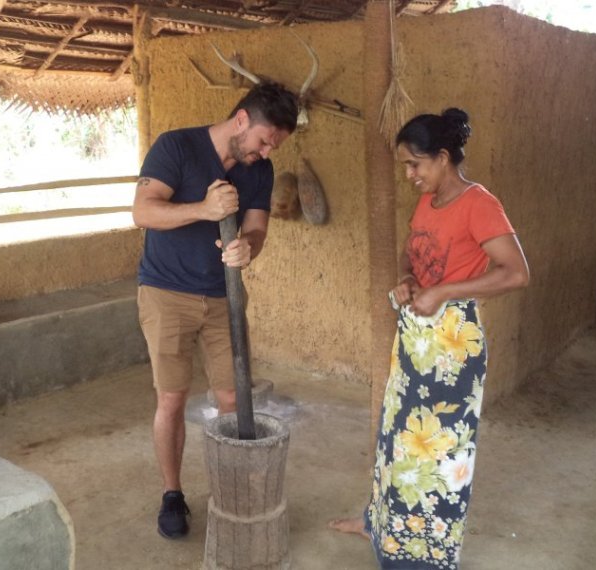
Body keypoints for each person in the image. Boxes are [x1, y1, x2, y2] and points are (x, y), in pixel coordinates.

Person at [330, 108, 530, 568]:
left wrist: (444, 291)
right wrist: (407, 278)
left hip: (453, 346)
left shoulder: (480, 204)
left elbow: (516, 273)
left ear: (443, 158)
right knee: (398, 439)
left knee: (438, 453)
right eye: (405, 165)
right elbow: (412, 249)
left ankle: (421, 555)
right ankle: (379, 525)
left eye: (415, 164)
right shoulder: (429, 200)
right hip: (416, 339)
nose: (409, 174)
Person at [132, 82, 299, 540]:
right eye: (264, 140)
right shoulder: (176, 147)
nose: (265, 152)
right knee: (172, 398)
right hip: (166, 293)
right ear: (242, 119)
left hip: (224, 294)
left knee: (233, 396)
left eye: (274, 146)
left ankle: (233, 489)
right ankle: (173, 494)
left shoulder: (259, 170)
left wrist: (248, 248)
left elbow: (258, 227)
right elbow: (144, 212)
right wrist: (204, 209)